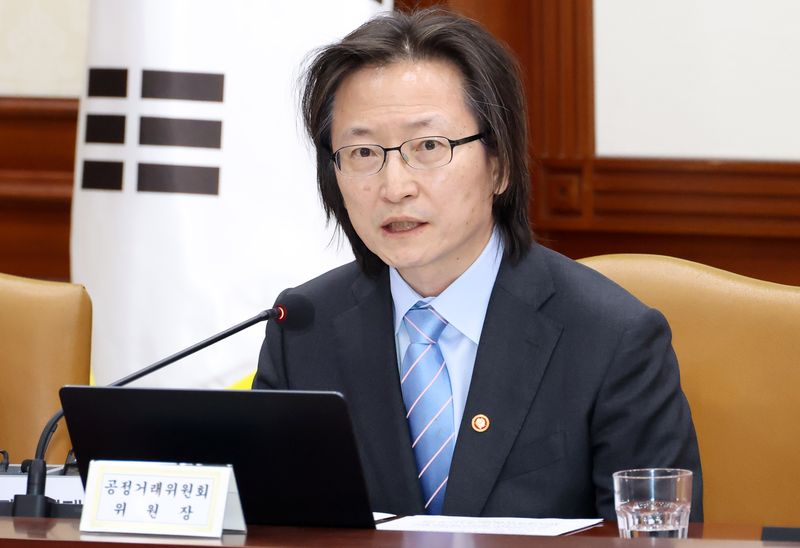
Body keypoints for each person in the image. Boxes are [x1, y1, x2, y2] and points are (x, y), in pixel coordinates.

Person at [254, 8, 702, 520]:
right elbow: (267, 525)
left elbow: (655, 535)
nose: (394, 186)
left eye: (428, 146)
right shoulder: (301, 330)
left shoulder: (612, 339)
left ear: (500, 165)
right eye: (362, 153)